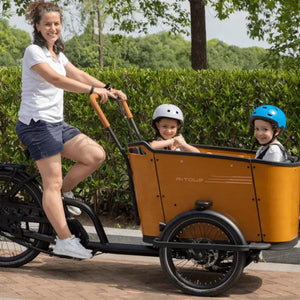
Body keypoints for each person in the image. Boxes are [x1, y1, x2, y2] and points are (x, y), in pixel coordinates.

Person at [16, 0, 127, 259]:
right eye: (48, 24)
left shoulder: (57, 54)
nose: (53, 28)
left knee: (95, 155)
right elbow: (56, 80)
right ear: (38, 26)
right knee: (51, 183)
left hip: (56, 124)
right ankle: (64, 240)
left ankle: (60, 194)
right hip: (36, 125)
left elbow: (77, 74)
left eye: (57, 24)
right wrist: (93, 91)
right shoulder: (34, 51)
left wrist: (108, 88)